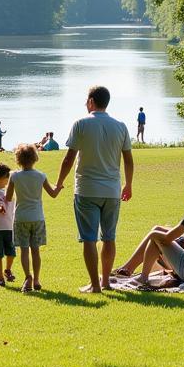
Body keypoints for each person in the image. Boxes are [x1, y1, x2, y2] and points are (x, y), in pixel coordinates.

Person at [55, 85, 134, 294]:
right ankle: (106, 281)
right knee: (109, 237)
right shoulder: (120, 126)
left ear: (91, 101)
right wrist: (128, 184)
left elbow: (69, 158)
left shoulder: (80, 124)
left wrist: (59, 182)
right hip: (111, 190)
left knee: (89, 239)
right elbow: (128, 160)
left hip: (86, 189)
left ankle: (96, 285)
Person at [6, 143, 61, 293]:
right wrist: (59, 187)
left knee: (24, 250)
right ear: (35, 158)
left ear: (18, 159)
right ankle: (36, 279)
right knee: (35, 250)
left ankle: (27, 277)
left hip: (21, 217)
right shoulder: (41, 176)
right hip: (37, 217)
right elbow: (53, 194)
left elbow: (8, 198)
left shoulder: (14, 176)